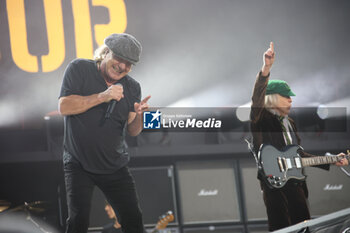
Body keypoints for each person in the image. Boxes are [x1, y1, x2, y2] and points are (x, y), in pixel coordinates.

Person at [250, 42, 349, 231]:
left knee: (304, 227)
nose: (291, 100)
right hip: (274, 185)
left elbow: (299, 155)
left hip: (296, 184)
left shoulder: (290, 123)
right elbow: (256, 98)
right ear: (272, 97)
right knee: (283, 227)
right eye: (286, 96)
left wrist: (333, 160)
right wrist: (266, 68)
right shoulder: (261, 119)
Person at [58, 33, 150, 233]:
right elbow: (64, 107)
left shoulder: (133, 87)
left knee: (134, 220)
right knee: (77, 221)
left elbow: (133, 131)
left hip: (114, 166)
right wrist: (103, 96)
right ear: (106, 52)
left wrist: (141, 116)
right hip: (78, 162)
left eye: (129, 64)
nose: (123, 67)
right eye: (119, 59)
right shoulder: (79, 68)